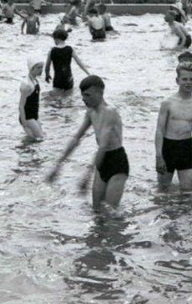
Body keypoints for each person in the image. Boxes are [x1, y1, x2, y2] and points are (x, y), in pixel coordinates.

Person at [47, 75, 129, 209]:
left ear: (100, 93)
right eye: (82, 95)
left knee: (110, 212)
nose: (84, 99)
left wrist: (87, 175)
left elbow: (103, 146)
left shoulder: (110, 112)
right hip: (102, 162)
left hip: (117, 161)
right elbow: (76, 139)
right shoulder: (91, 112)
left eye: (87, 95)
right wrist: (58, 166)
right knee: (96, 211)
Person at [154, 62, 192, 190]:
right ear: (177, 80)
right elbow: (159, 130)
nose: (188, 82)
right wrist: (158, 156)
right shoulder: (168, 103)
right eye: (184, 79)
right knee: (163, 190)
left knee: (188, 192)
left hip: (186, 148)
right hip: (168, 147)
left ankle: (183, 211)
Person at [19, 56, 44, 141]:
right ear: (31, 68)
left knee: (37, 138)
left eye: (42, 67)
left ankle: (27, 148)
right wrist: (25, 124)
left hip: (34, 114)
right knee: (40, 138)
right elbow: (21, 105)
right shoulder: (26, 84)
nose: (41, 70)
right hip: (27, 116)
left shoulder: (35, 81)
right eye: (38, 68)